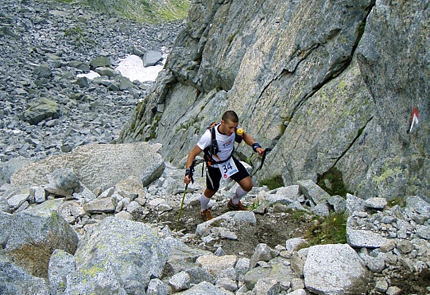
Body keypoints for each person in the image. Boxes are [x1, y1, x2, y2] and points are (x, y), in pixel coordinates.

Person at [183, 110, 265, 221]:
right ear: (222, 122)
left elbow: (244, 136)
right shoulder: (209, 136)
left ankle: (234, 203)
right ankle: (203, 210)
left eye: (234, 128)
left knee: (247, 185)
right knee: (212, 189)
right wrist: (188, 172)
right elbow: (192, 154)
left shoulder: (235, 129)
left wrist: (256, 146)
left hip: (228, 161)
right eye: (230, 128)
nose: (233, 131)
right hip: (214, 165)